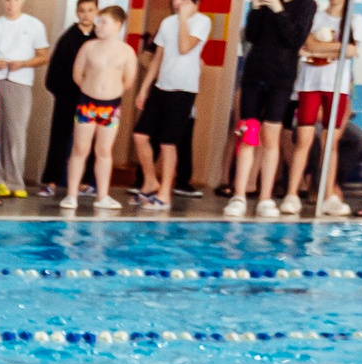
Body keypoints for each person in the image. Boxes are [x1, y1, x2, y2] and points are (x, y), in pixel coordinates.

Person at [224, 0, 315, 217]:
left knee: (271, 137)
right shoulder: (263, 4)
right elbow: (252, 37)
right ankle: (239, 195)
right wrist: (255, 10)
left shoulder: (305, 5)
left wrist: (278, 10)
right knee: (248, 134)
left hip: (281, 79)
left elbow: (294, 39)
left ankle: (265, 197)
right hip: (254, 76)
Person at [281, 0, 356, 213]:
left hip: (337, 87)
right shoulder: (314, 15)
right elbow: (307, 44)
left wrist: (318, 49)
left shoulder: (354, 19)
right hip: (310, 85)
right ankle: (292, 194)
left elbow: (351, 51)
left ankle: (329, 195)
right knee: (304, 139)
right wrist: (335, 49)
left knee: (330, 142)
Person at [131, 0, 208, 208]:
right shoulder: (167, 22)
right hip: (161, 87)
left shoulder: (202, 22)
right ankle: (149, 180)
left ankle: (164, 193)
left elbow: (184, 47)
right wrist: (145, 88)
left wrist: (183, 18)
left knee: (168, 143)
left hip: (183, 90)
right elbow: (157, 57)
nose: (176, 3)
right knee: (140, 135)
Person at [58, 3, 132, 208]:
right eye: (98, 22)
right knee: (80, 148)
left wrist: (109, 94)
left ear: (117, 24)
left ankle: (102, 196)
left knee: (104, 151)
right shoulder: (88, 47)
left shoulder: (127, 52)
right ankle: (72, 194)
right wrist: (92, 91)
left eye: (103, 22)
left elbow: (128, 81)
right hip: (87, 104)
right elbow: (77, 74)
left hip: (110, 107)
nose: (98, 25)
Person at [0, 0, 48, 197]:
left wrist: (24, 63)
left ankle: (16, 180)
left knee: (17, 133)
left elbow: (43, 56)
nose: (11, 3)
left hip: (20, 82)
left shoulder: (34, 25)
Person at [39, 0, 96, 194]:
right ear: (77, 12)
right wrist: (62, 93)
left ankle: (86, 182)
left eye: (90, 10)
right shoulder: (68, 38)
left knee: (90, 140)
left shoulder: (100, 36)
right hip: (68, 97)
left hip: (93, 98)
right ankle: (51, 181)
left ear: (96, 11)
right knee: (59, 138)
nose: (86, 15)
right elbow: (54, 71)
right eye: (82, 11)